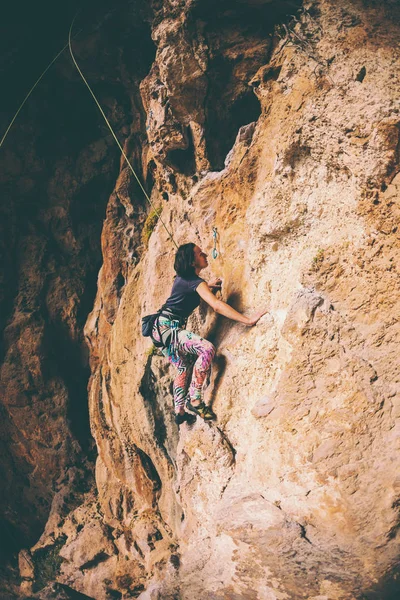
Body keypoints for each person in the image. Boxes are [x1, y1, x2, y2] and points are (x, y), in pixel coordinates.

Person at [151, 243, 267, 426]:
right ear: (191, 261)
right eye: (199, 254)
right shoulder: (195, 283)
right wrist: (247, 320)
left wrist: (207, 286)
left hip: (158, 330)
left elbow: (190, 292)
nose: (204, 254)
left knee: (182, 368)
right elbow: (216, 305)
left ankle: (179, 411)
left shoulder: (183, 279)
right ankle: (195, 399)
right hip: (168, 329)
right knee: (207, 349)